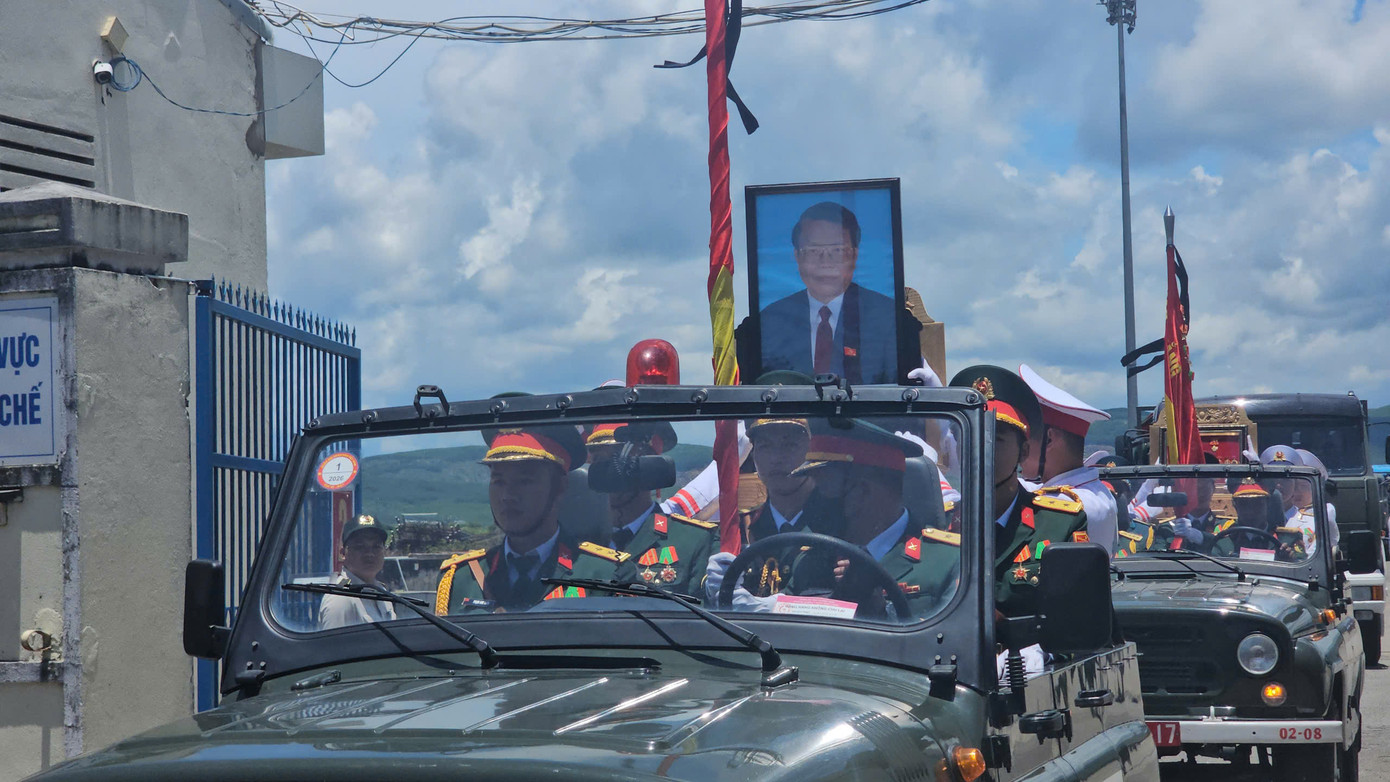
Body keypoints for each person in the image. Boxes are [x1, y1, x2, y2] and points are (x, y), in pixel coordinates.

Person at [948, 365, 1088, 618]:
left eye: (994, 439)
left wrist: (1037, 651)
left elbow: (1076, 620)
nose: (979, 449)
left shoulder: (1058, 526)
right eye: (968, 437)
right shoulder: (937, 523)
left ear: (1023, 452)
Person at [434, 425, 587, 614]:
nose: (507, 496)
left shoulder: (602, 576)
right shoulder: (463, 578)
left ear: (559, 487)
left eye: (524, 481)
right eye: (498, 481)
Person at [568, 421, 717, 597]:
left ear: (650, 465)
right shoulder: (572, 547)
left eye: (618, 460)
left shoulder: (695, 542)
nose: (609, 473)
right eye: (599, 461)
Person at [757, 201, 897, 384]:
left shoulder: (887, 317)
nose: (825, 262)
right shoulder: (771, 321)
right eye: (813, 251)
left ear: (854, 255)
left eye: (837, 250)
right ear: (797, 257)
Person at [1018, 364, 1119, 556]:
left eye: (1026, 438)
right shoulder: (1095, 491)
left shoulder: (1066, 503)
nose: (1020, 449)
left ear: (1049, 439)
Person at [319, 514, 397, 629]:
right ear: (343, 553)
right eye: (360, 547)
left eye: (376, 546)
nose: (369, 554)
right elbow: (333, 646)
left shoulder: (381, 593)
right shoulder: (340, 599)